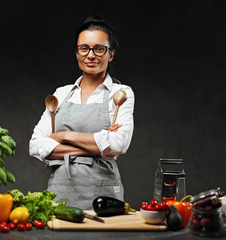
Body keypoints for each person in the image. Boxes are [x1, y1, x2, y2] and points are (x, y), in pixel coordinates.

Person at [29, 15, 135, 210]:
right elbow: (35, 146)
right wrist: (98, 146)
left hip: (105, 195)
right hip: (59, 192)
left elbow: (119, 143)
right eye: (84, 48)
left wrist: (62, 136)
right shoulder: (60, 94)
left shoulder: (121, 93)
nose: (91, 55)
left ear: (110, 54)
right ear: (77, 52)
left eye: (99, 49)